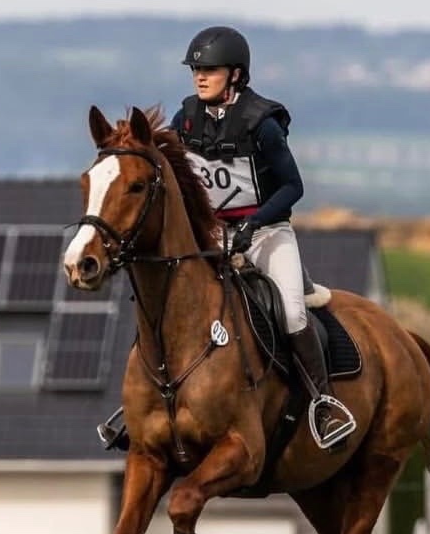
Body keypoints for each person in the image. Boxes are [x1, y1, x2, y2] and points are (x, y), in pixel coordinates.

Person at [96, 24, 353, 453]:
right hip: (211, 235)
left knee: (291, 314)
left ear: (235, 74)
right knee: (168, 306)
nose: (199, 76)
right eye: (196, 69)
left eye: (210, 69)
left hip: (267, 233)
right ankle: (141, 405)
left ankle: (323, 404)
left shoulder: (262, 124)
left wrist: (253, 224)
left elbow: (293, 187)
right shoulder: (186, 118)